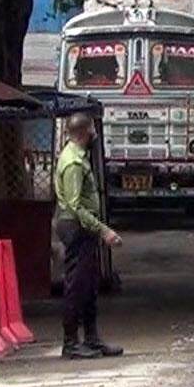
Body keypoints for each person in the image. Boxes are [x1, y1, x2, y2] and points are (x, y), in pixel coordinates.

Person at [55, 112, 124, 360]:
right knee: (76, 285)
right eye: (93, 130)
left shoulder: (79, 157)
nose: (95, 134)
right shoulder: (73, 162)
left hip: (82, 228)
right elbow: (75, 205)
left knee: (89, 283)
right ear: (84, 133)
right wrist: (103, 230)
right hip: (75, 227)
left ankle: (92, 338)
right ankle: (71, 342)